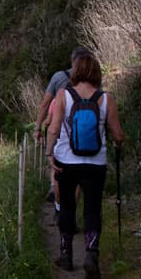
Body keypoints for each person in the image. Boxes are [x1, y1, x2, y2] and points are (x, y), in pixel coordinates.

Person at [45, 51, 125, 279]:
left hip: (66, 162)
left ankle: (66, 255)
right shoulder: (106, 98)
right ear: (96, 72)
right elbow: (117, 133)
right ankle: (91, 255)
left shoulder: (63, 95)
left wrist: (51, 154)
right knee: (92, 209)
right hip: (95, 164)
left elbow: (54, 128)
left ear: (76, 71)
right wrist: (119, 143)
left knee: (67, 207)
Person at [35, 47, 93, 217]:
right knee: (78, 181)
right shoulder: (94, 80)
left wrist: (38, 126)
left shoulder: (59, 77)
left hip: (60, 131)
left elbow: (45, 103)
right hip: (85, 134)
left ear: (72, 60)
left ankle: (60, 208)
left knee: (60, 171)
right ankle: (70, 213)